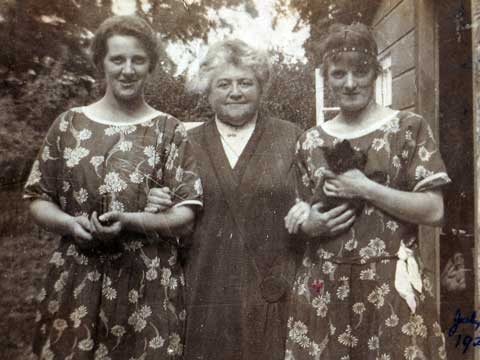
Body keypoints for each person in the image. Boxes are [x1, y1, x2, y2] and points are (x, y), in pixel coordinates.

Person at [146, 39, 354, 360]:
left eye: (245, 83)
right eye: (223, 84)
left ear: (262, 87)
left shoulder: (292, 138)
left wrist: (314, 215)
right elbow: (171, 221)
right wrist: (159, 203)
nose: (235, 92)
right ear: (208, 89)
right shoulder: (185, 144)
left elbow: (322, 201)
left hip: (276, 292)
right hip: (207, 291)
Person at [23, 15, 202, 359]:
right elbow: (36, 198)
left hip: (148, 283)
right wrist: (69, 224)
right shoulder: (68, 125)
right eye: (117, 59)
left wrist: (133, 221)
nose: (128, 69)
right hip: (79, 279)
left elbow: (186, 216)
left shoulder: (169, 130)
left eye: (138, 60)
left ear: (151, 66)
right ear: (100, 63)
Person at [284, 23, 451, 359]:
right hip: (323, 287)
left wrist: (365, 187)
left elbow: (434, 211)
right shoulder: (310, 140)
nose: (349, 83)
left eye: (360, 72)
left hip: (390, 285)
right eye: (338, 74)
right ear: (326, 77)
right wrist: (306, 223)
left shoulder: (407, 128)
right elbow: (300, 210)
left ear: (375, 72)